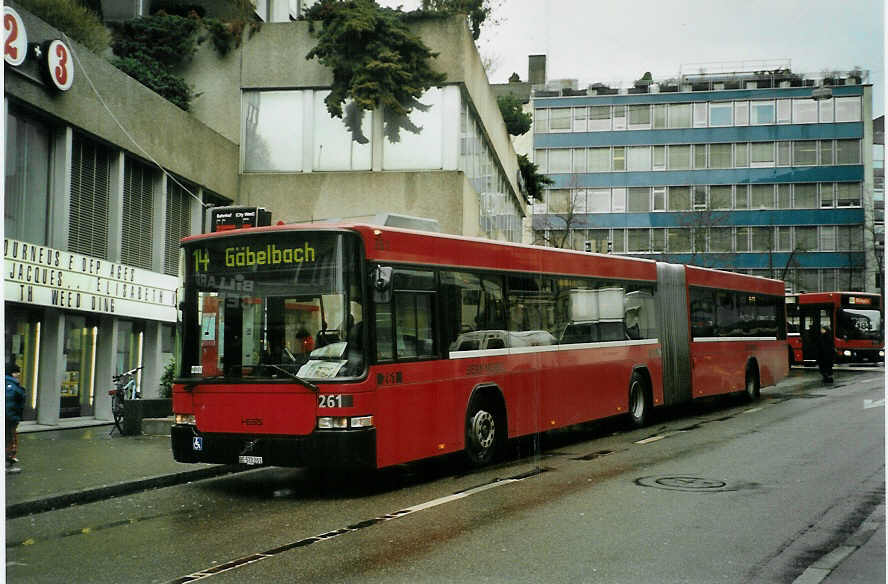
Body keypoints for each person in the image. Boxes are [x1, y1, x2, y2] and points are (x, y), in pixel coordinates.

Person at [6, 362, 26, 474]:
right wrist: (14, 417)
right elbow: (10, 404)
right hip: (9, 419)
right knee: (10, 440)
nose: (18, 375)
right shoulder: (12, 386)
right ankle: (7, 464)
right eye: (17, 372)